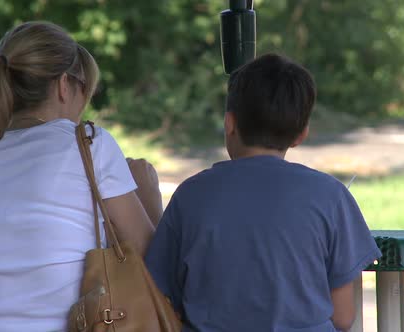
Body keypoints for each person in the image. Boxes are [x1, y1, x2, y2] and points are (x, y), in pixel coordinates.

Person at [0, 21, 162, 332]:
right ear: (63, 85)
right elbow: (149, 260)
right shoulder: (89, 143)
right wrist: (149, 194)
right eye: (85, 89)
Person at [145, 54, 382, 332]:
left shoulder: (191, 195)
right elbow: (342, 317)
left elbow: (159, 294)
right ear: (301, 135)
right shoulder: (331, 196)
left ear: (229, 123)